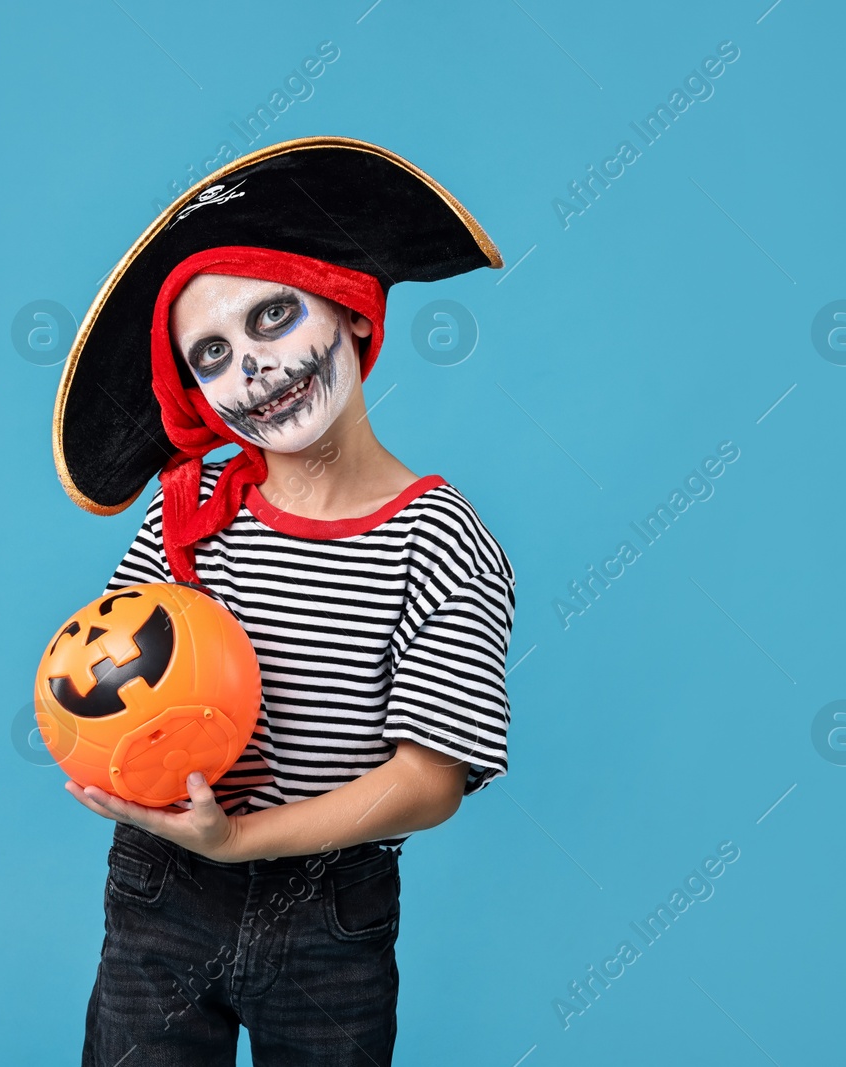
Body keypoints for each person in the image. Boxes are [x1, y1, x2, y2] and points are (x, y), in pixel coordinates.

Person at [51, 136, 515, 1067]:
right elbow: (108, 676)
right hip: (162, 896)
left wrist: (244, 840)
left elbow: (429, 783)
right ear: (200, 396)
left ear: (348, 311)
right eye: (213, 354)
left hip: (327, 920)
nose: (253, 367)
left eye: (272, 316)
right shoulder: (189, 515)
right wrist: (119, 764)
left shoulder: (439, 539)